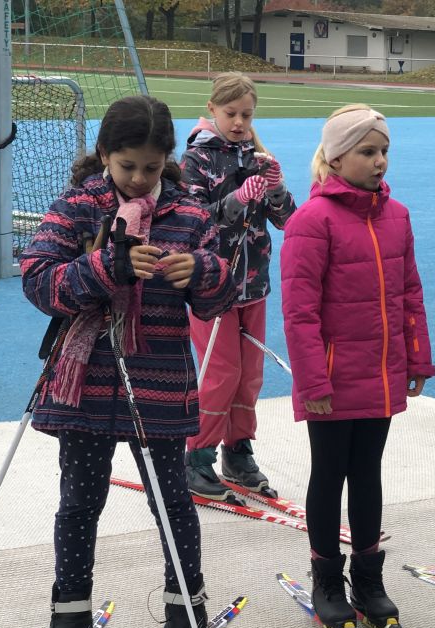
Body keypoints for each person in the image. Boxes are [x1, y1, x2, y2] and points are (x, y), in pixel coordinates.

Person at [20, 95, 236, 628]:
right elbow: (38, 281)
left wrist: (206, 274)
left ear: (167, 158)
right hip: (85, 385)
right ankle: (68, 615)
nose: (138, 179)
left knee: (171, 502)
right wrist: (102, 269)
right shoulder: (78, 207)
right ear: (105, 156)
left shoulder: (190, 214)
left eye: (149, 166)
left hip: (159, 384)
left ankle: (185, 609)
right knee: (80, 503)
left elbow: (220, 295)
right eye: (126, 166)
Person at [280, 104, 435, 628]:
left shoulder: (397, 217)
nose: (380, 162)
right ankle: (328, 578)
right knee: (329, 475)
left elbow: (409, 292)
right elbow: (299, 311)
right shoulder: (311, 221)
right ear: (336, 157)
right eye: (368, 152)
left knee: (367, 474)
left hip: (381, 369)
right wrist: (312, 380)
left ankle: (369, 578)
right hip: (331, 377)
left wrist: (418, 357)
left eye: (384, 150)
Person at [180, 71, 296, 501]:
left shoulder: (256, 155)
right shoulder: (195, 160)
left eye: (247, 114)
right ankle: (197, 457)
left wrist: (277, 189)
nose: (239, 122)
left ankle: (238, 452)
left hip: (254, 284)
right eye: (231, 113)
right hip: (213, 286)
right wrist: (236, 200)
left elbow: (288, 221)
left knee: (249, 375)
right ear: (212, 109)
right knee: (220, 373)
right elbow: (190, 221)